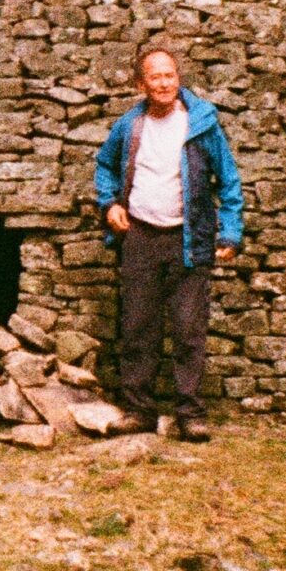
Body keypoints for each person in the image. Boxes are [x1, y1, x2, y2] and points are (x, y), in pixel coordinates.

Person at [92, 42, 245, 442]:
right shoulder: (129, 125)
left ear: (178, 78)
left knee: (188, 329)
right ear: (142, 83)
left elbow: (228, 181)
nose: (164, 83)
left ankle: (189, 414)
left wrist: (230, 231)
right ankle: (140, 410)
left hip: (188, 238)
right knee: (138, 327)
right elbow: (105, 166)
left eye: (170, 75)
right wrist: (109, 204)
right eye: (156, 76)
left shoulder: (202, 124)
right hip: (140, 236)